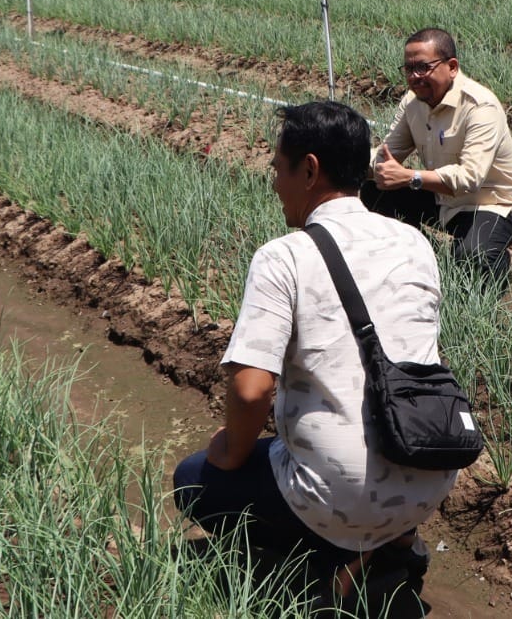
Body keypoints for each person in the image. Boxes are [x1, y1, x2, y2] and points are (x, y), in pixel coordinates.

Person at [173, 101, 455, 611]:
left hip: (336, 494)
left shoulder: (283, 257)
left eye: (278, 169)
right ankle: (391, 546)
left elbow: (251, 390)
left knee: (193, 481)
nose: (274, 183)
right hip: (429, 471)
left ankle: (322, 562)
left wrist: (230, 451)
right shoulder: (415, 243)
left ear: (309, 170)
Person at [364, 27, 512, 280]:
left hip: (491, 204)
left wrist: (410, 177)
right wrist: (341, 161)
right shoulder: (413, 103)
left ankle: (498, 271)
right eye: (409, 69)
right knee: (375, 190)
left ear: (452, 67)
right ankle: (421, 257)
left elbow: (469, 178)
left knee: (473, 257)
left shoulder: (480, 107)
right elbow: (387, 156)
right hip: (442, 199)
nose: (415, 76)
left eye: (423, 67)